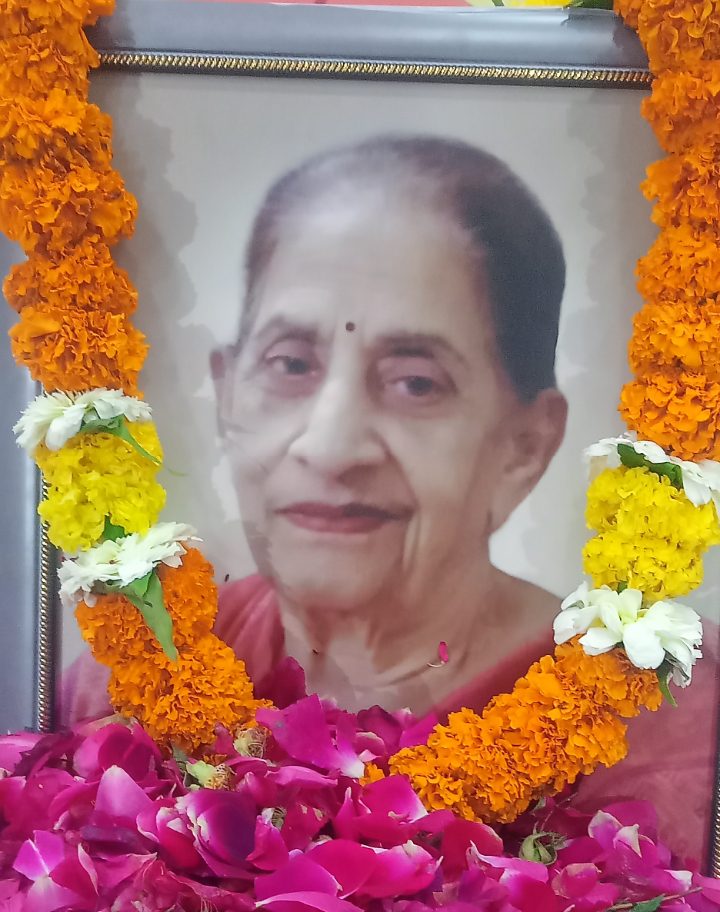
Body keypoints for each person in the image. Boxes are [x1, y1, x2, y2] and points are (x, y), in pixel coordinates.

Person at [62, 135, 718, 863]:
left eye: (416, 382)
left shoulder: (662, 715)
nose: (331, 446)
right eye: (290, 363)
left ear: (524, 444)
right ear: (226, 394)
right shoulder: (127, 669)